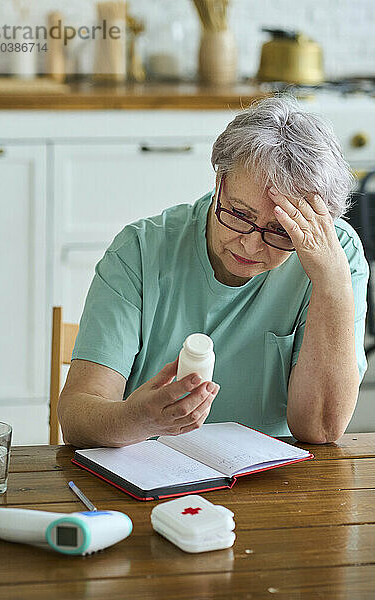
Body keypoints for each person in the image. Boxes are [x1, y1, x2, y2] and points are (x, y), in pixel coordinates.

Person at [58, 96, 369, 448]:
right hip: (148, 468)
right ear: (219, 181)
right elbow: (76, 419)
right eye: (239, 214)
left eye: (281, 231)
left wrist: (332, 285)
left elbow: (320, 431)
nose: (251, 246)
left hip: (273, 482)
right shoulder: (140, 251)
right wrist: (139, 418)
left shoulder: (336, 257)